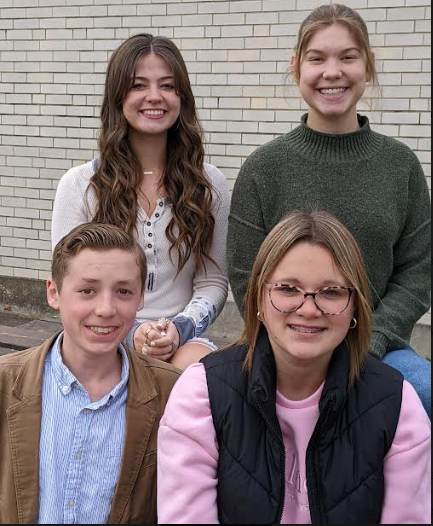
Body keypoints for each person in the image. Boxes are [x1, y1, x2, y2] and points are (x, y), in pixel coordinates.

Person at [158, 211, 431, 525]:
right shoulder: (202, 395)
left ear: (355, 305)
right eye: (288, 289)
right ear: (259, 297)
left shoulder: (398, 406)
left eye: (331, 292)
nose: (309, 308)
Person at [227, 4, 431, 416]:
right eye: (317, 58)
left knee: (423, 391)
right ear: (297, 67)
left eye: (348, 57)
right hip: (286, 342)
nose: (332, 71)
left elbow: (418, 270)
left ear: (368, 66)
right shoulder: (264, 168)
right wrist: (297, 338)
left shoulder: (400, 165)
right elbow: (246, 274)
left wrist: (371, 340)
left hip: (378, 347)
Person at [52, 34, 230, 370]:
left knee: (200, 373)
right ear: (118, 96)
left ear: (182, 97)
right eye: (138, 85)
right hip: (101, 333)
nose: (154, 97)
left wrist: (179, 330)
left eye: (167, 85)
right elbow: (70, 284)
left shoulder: (209, 184)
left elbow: (213, 281)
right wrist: (132, 331)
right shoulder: (78, 185)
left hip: (181, 341)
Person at [0, 223, 180, 524]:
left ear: (140, 298)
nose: (106, 308)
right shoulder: (5, 383)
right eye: (87, 290)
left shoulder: (171, 392)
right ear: (54, 293)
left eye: (123, 291)